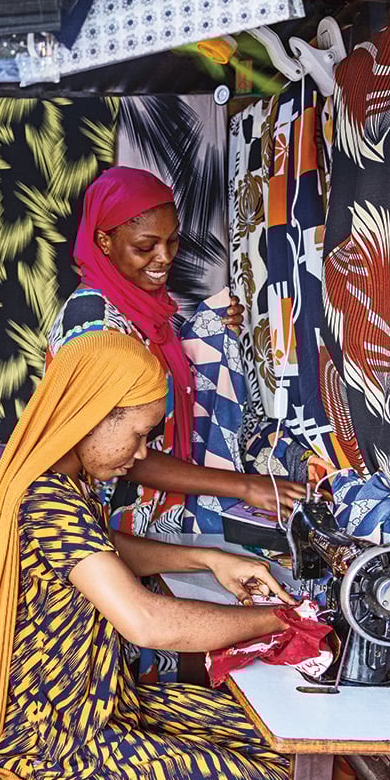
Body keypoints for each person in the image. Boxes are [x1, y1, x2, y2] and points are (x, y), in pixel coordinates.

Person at [0, 330, 298, 780]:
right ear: (90, 414)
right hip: (57, 745)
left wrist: (207, 558)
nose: (140, 454)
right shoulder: (48, 497)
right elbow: (147, 624)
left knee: (274, 740)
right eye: (136, 434)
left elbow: (97, 548)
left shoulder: (63, 482)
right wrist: (280, 621)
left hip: (102, 707)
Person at [47, 166, 308, 534]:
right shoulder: (96, 331)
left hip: (148, 510)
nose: (165, 257)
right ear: (104, 241)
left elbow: (156, 381)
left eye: (172, 241)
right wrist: (245, 486)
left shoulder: (139, 306)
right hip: (109, 522)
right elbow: (118, 450)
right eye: (145, 246)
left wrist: (207, 332)